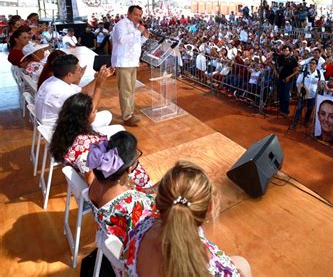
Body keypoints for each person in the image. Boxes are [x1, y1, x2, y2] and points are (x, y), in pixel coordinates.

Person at [124, 161, 251, 277]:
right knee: (243, 263)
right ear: (210, 207)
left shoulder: (140, 229)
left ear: (158, 201)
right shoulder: (219, 270)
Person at [86, 131, 158, 273]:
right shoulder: (132, 204)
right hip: (128, 260)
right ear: (130, 168)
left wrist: (150, 190)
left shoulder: (96, 183)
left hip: (107, 240)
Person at [49, 93, 153, 189]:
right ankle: (146, 187)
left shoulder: (64, 131)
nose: (96, 112)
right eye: (94, 111)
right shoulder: (86, 150)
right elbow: (91, 180)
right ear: (84, 117)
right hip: (112, 179)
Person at [35, 54, 114, 132]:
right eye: (79, 69)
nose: (81, 71)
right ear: (69, 75)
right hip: (59, 131)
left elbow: (83, 91)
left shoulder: (52, 80)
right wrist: (99, 86)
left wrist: (98, 78)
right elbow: (91, 113)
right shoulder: (64, 92)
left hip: (45, 125)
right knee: (107, 115)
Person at [111, 5, 149, 127]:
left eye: (140, 15)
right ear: (129, 13)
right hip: (123, 62)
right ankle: (126, 116)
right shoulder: (121, 25)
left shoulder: (135, 27)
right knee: (125, 90)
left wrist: (145, 37)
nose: (138, 18)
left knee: (131, 90)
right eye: (136, 15)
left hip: (132, 62)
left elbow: (136, 44)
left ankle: (130, 113)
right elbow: (122, 40)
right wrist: (138, 32)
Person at [291, 60, 324, 129]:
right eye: (310, 63)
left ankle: (306, 121)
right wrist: (299, 91)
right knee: (299, 108)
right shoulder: (304, 72)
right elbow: (298, 81)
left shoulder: (319, 73)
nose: (311, 64)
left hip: (313, 94)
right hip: (303, 92)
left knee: (309, 109)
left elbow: (322, 83)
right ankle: (294, 122)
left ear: (316, 65)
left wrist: (320, 85)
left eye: (313, 63)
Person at [277, 45, 299, 118]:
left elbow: (297, 71)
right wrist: (276, 73)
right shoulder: (280, 57)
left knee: (286, 96)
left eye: (286, 50)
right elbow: (276, 66)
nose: (285, 52)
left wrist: (289, 77)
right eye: (284, 50)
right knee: (280, 94)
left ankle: (286, 111)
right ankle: (281, 109)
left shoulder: (293, 59)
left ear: (289, 51)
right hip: (280, 78)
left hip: (288, 80)